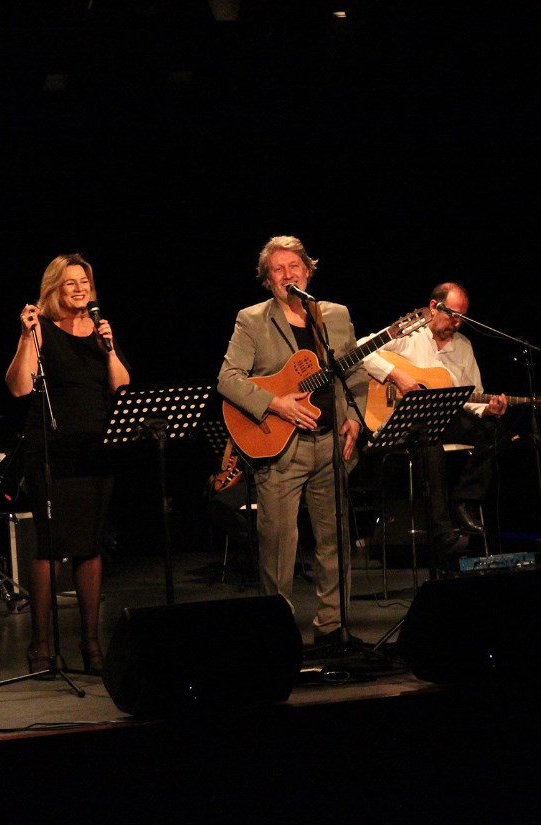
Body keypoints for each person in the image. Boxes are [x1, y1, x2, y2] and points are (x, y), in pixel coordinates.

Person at [216, 235, 366, 646]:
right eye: (278, 269)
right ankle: (276, 633)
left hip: (331, 444)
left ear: (308, 271)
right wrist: (275, 403)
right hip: (281, 448)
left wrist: (355, 419)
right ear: (268, 279)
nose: (287, 274)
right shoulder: (252, 319)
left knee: (334, 542)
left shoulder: (335, 315)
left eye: (294, 266)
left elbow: (354, 373)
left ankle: (333, 628)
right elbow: (227, 379)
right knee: (279, 547)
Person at [5, 253, 131, 676]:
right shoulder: (40, 328)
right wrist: (26, 338)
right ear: (55, 288)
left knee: (90, 546)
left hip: (95, 448)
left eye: (84, 282)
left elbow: (121, 387)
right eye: (70, 283)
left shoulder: (100, 329)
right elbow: (19, 388)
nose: (80, 289)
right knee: (50, 547)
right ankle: (41, 645)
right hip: (51, 449)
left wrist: (109, 348)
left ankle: (91, 644)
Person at [360, 282, 508, 566]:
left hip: (443, 418)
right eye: (452, 314)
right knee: (431, 446)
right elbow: (360, 349)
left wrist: (488, 409)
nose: (456, 323)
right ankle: (442, 535)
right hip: (403, 422)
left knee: (493, 430)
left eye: (462, 318)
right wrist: (397, 375)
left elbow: (472, 395)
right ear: (433, 307)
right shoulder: (408, 333)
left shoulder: (463, 347)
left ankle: (465, 501)